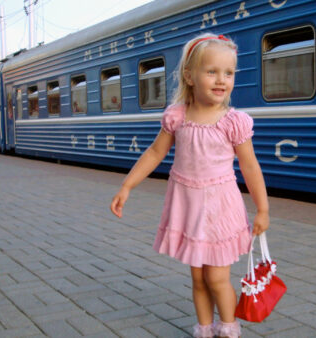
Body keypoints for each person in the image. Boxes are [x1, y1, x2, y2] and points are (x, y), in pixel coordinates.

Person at [110, 33, 269, 338]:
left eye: (229, 73)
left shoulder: (233, 122)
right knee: (198, 278)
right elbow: (155, 152)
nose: (221, 80)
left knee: (218, 279)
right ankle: (205, 330)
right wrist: (127, 186)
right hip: (189, 205)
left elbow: (250, 166)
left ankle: (229, 330)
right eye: (212, 71)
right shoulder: (177, 117)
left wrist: (262, 208)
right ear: (190, 76)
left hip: (219, 208)